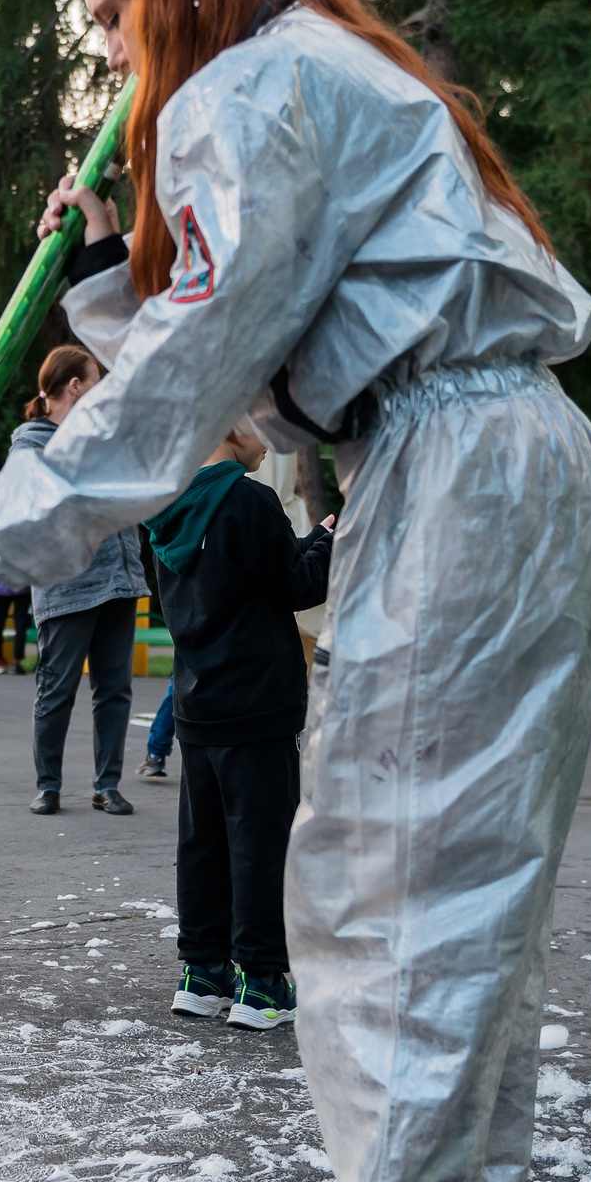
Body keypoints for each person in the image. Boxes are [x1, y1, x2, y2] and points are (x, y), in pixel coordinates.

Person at [0, 0, 591, 1182]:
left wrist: (21, 518)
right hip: (515, 460)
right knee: (472, 883)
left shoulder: (246, 89)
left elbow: (205, 360)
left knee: (389, 881)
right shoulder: (338, 66)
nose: (110, 48)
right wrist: (116, 265)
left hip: (452, 476)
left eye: (111, 10)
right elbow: (258, 354)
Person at [148, 420, 332, 1031]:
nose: (269, 438)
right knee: (260, 842)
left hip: (198, 697)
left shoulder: (167, 503)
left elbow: (241, 584)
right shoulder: (249, 498)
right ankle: (263, 981)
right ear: (230, 424)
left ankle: (202, 971)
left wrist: (308, 540)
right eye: (259, 423)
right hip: (258, 698)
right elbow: (297, 585)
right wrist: (330, 543)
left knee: (203, 843)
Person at [15, 345, 146, 816]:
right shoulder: (30, 442)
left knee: (114, 688)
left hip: (119, 577)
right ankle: (48, 785)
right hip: (66, 587)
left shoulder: (104, 436)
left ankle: (106, 785)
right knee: (57, 689)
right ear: (75, 386)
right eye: (97, 381)